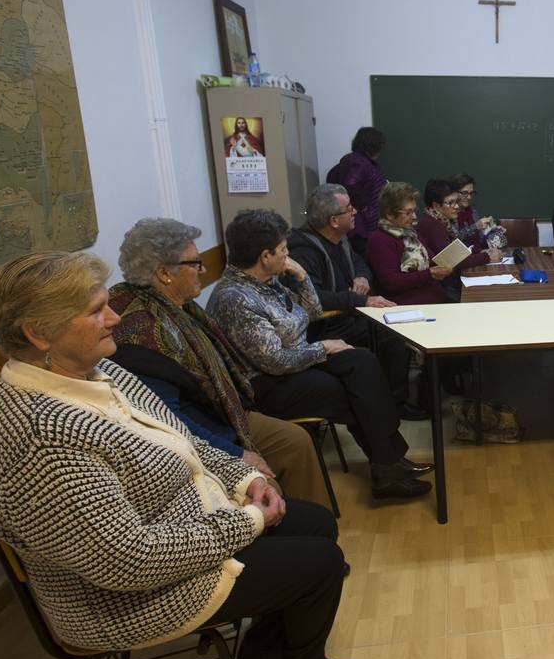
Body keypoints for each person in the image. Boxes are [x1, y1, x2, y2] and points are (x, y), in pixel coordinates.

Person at [0, 251, 364, 659]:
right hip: (122, 598)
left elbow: (185, 441)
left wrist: (247, 480)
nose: (115, 317)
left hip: (182, 525)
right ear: (39, 332)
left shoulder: (99, 372)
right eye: (97, 310)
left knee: (315, 523)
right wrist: (247, 520)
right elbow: (128, 561)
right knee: (317, 565)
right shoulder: (44, 437)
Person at [207, 209, 433, 501]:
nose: (288, 255)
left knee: (361, 360)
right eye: (283, 250)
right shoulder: (235, 298)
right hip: (264, 383)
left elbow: (311, 313)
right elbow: (274, 362)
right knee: (351, 392)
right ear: (265, 256)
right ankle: (388, 468)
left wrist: (301, 278)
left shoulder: (267, 281)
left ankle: (388, 465)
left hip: (295, 362)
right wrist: (324, 347)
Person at [107, 218, 332, 510]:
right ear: (164, 273)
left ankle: (316, 526)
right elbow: (169, 422)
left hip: (223, 410)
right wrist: (236, 452)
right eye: (195, 263)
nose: (203, 270)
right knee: (270, 481)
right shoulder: (142, 333)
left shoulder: (177, 306)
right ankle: (299, 528)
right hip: (202, 431)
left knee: (296, 440)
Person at [287, 184, 425, 420]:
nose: (355, 212)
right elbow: (314, 296)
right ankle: (392, 404)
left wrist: (362, 277)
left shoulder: (340, 238)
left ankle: (395, 400)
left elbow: (360, 262)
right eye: (349, 209)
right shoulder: (303, 250)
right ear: (333, 220)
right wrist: (360, 299)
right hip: (323, 326)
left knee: (395, 332)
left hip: (348, 313)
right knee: (391, 339)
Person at [366, 181, 453, 305]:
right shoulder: (380, 240)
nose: (414, 217)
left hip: (431, 297)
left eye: (414, 211)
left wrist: (444, 266)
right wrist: (430, 274)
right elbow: (391, 282)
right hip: (405, 305)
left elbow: (430, 261)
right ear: (390, 214)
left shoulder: (410, 233)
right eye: (408, 212)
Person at [417, 179, 498, 302]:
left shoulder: (438, 220)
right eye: (451, 203)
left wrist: (479, 252)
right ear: (436, 205)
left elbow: (454, 252)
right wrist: (487, 257)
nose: (456, 207)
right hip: (441, 288)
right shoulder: (433, 225)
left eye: (456, 202)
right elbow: (454, 261)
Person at [325, 127, 387, 255]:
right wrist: (363, 206)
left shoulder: (350, 162)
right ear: (375, 146)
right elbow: (351, 184)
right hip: (362, 227)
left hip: (358, 225)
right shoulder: (361, 163)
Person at [449, 173, 509, 252]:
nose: (469, 197)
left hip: (477, 256)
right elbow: (454, 242)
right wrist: (475, 227)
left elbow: (480, 241)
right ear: (454, 193)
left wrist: (493, 233)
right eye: (464, 193)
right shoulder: (449, 214)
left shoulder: (472, 212)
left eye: (471, 193)